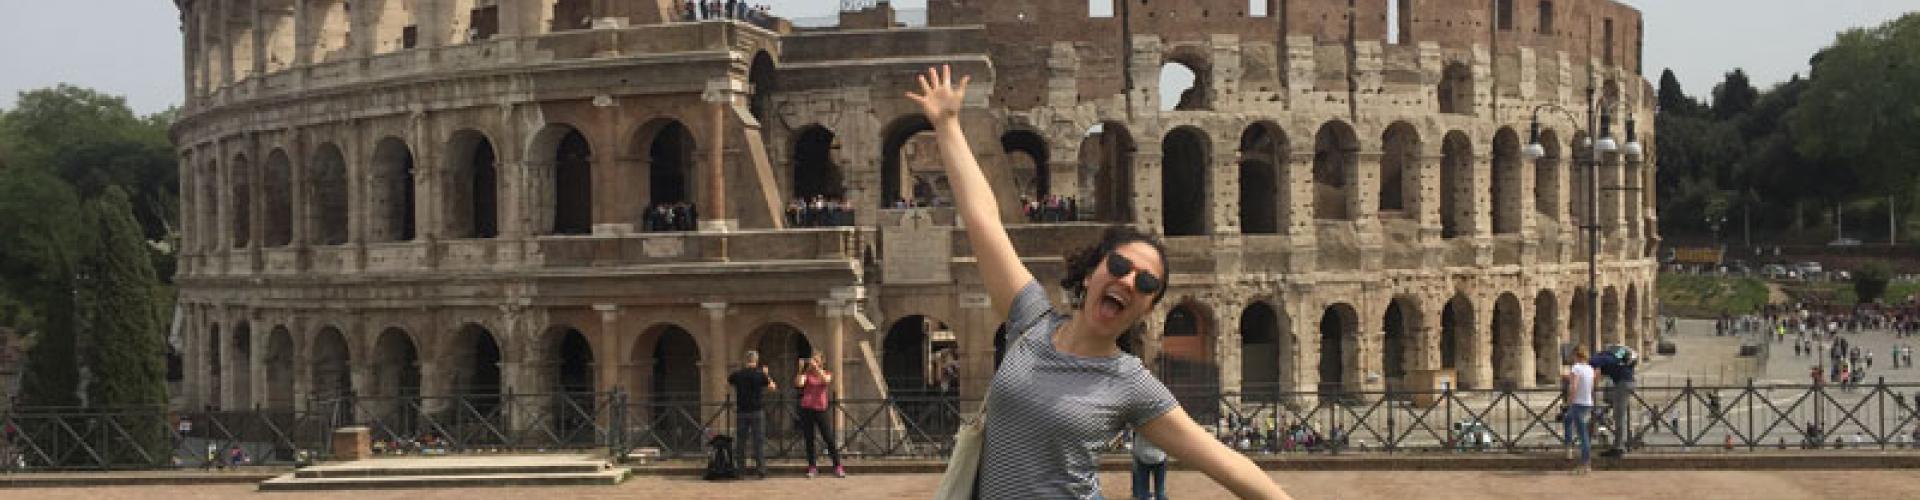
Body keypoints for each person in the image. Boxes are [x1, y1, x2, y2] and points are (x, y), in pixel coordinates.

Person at [904, 65, 1289, 500]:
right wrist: (948, 126)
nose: (1129, 281)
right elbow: (984, 223)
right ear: (1091, 274)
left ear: (1146, 308)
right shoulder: (1030, 318)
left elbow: (1227, 464)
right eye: (1120, 265)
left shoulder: (1131, 383)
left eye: (1146, 283)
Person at [794, 353, 845, 478]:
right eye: (813, 360)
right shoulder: (807, 375)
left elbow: (826, 380)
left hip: (820, 409)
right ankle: (812, 466)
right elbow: (799, 384)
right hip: (807, 409)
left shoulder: (826, 373)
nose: (813, 362)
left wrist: (817, 369)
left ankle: (837, 466)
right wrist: (800, 369)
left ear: (821, 362)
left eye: (816, 360)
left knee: (828, 438)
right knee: (809, 439)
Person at [727, 350, 776, 479]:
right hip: (756, 411)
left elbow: (728, 382)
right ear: (756, 360)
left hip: (742, 412)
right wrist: (767, 374)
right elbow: (772, 387)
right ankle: (761, 470)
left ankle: (740, 471)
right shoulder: (760, 375)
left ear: (745, 360)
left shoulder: (738, 374)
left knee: (741, 442)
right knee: (758, 442)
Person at [1590, 344, 1637, 458]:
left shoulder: (1608, 357)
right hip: (1626, 383)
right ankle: (1620, 444)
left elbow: (1593, 361)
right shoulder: (1620, 356)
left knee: (1619, 416)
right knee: (1619, 415)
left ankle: (1619, 447)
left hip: (1622, 384)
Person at [1564, 346, 1595, 474]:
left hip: (1578, 403)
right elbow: (1590, 386)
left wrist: (1569, 401)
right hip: (1587, 402)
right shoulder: (1590, 369)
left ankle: (1585, 464)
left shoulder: (1576, 368)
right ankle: (1568, 447)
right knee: (1567, 419)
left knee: (1583, 434)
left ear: (1576, 356)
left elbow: (1574, 386)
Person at [1130, 429, 1169, 500]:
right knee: (1160, 490)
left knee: (1143, 490)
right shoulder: (1162, 423)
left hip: (1142, 457)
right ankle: (1160, 496)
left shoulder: (1139, 423)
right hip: (1159, 457)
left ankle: (1140, 494)